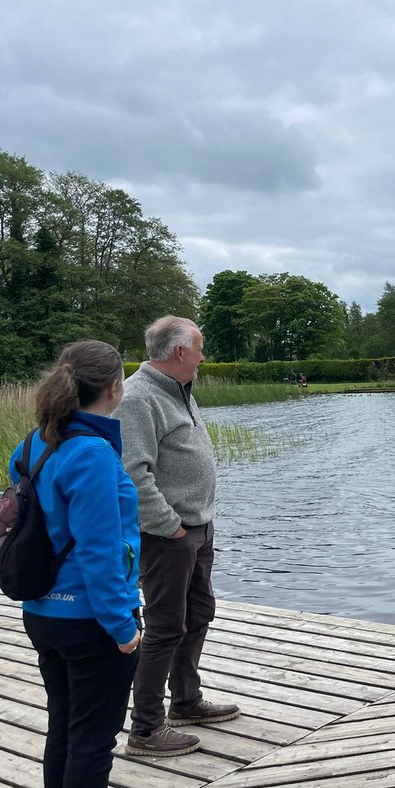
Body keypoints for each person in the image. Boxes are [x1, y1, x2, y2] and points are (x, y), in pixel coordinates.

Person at [16, 340, 163, 788]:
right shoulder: (94, 456)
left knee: (66, 728)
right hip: (91, 619)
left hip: (43, 613)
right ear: (116, 387)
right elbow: (102, 554)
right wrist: (124, 628)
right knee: (93, 740)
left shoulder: (36, 445)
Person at [115, 316, 239, 758]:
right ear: (181, 352)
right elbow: (132, 474)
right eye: (200, 349)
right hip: (169, 535)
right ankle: (146, 728)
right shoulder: (138, 398)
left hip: (197, 529)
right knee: (165, 627)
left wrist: (198, 525)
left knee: (199, 612)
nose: (204, 357)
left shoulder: (180, 391)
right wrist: (170, 526)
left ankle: (185, 700)